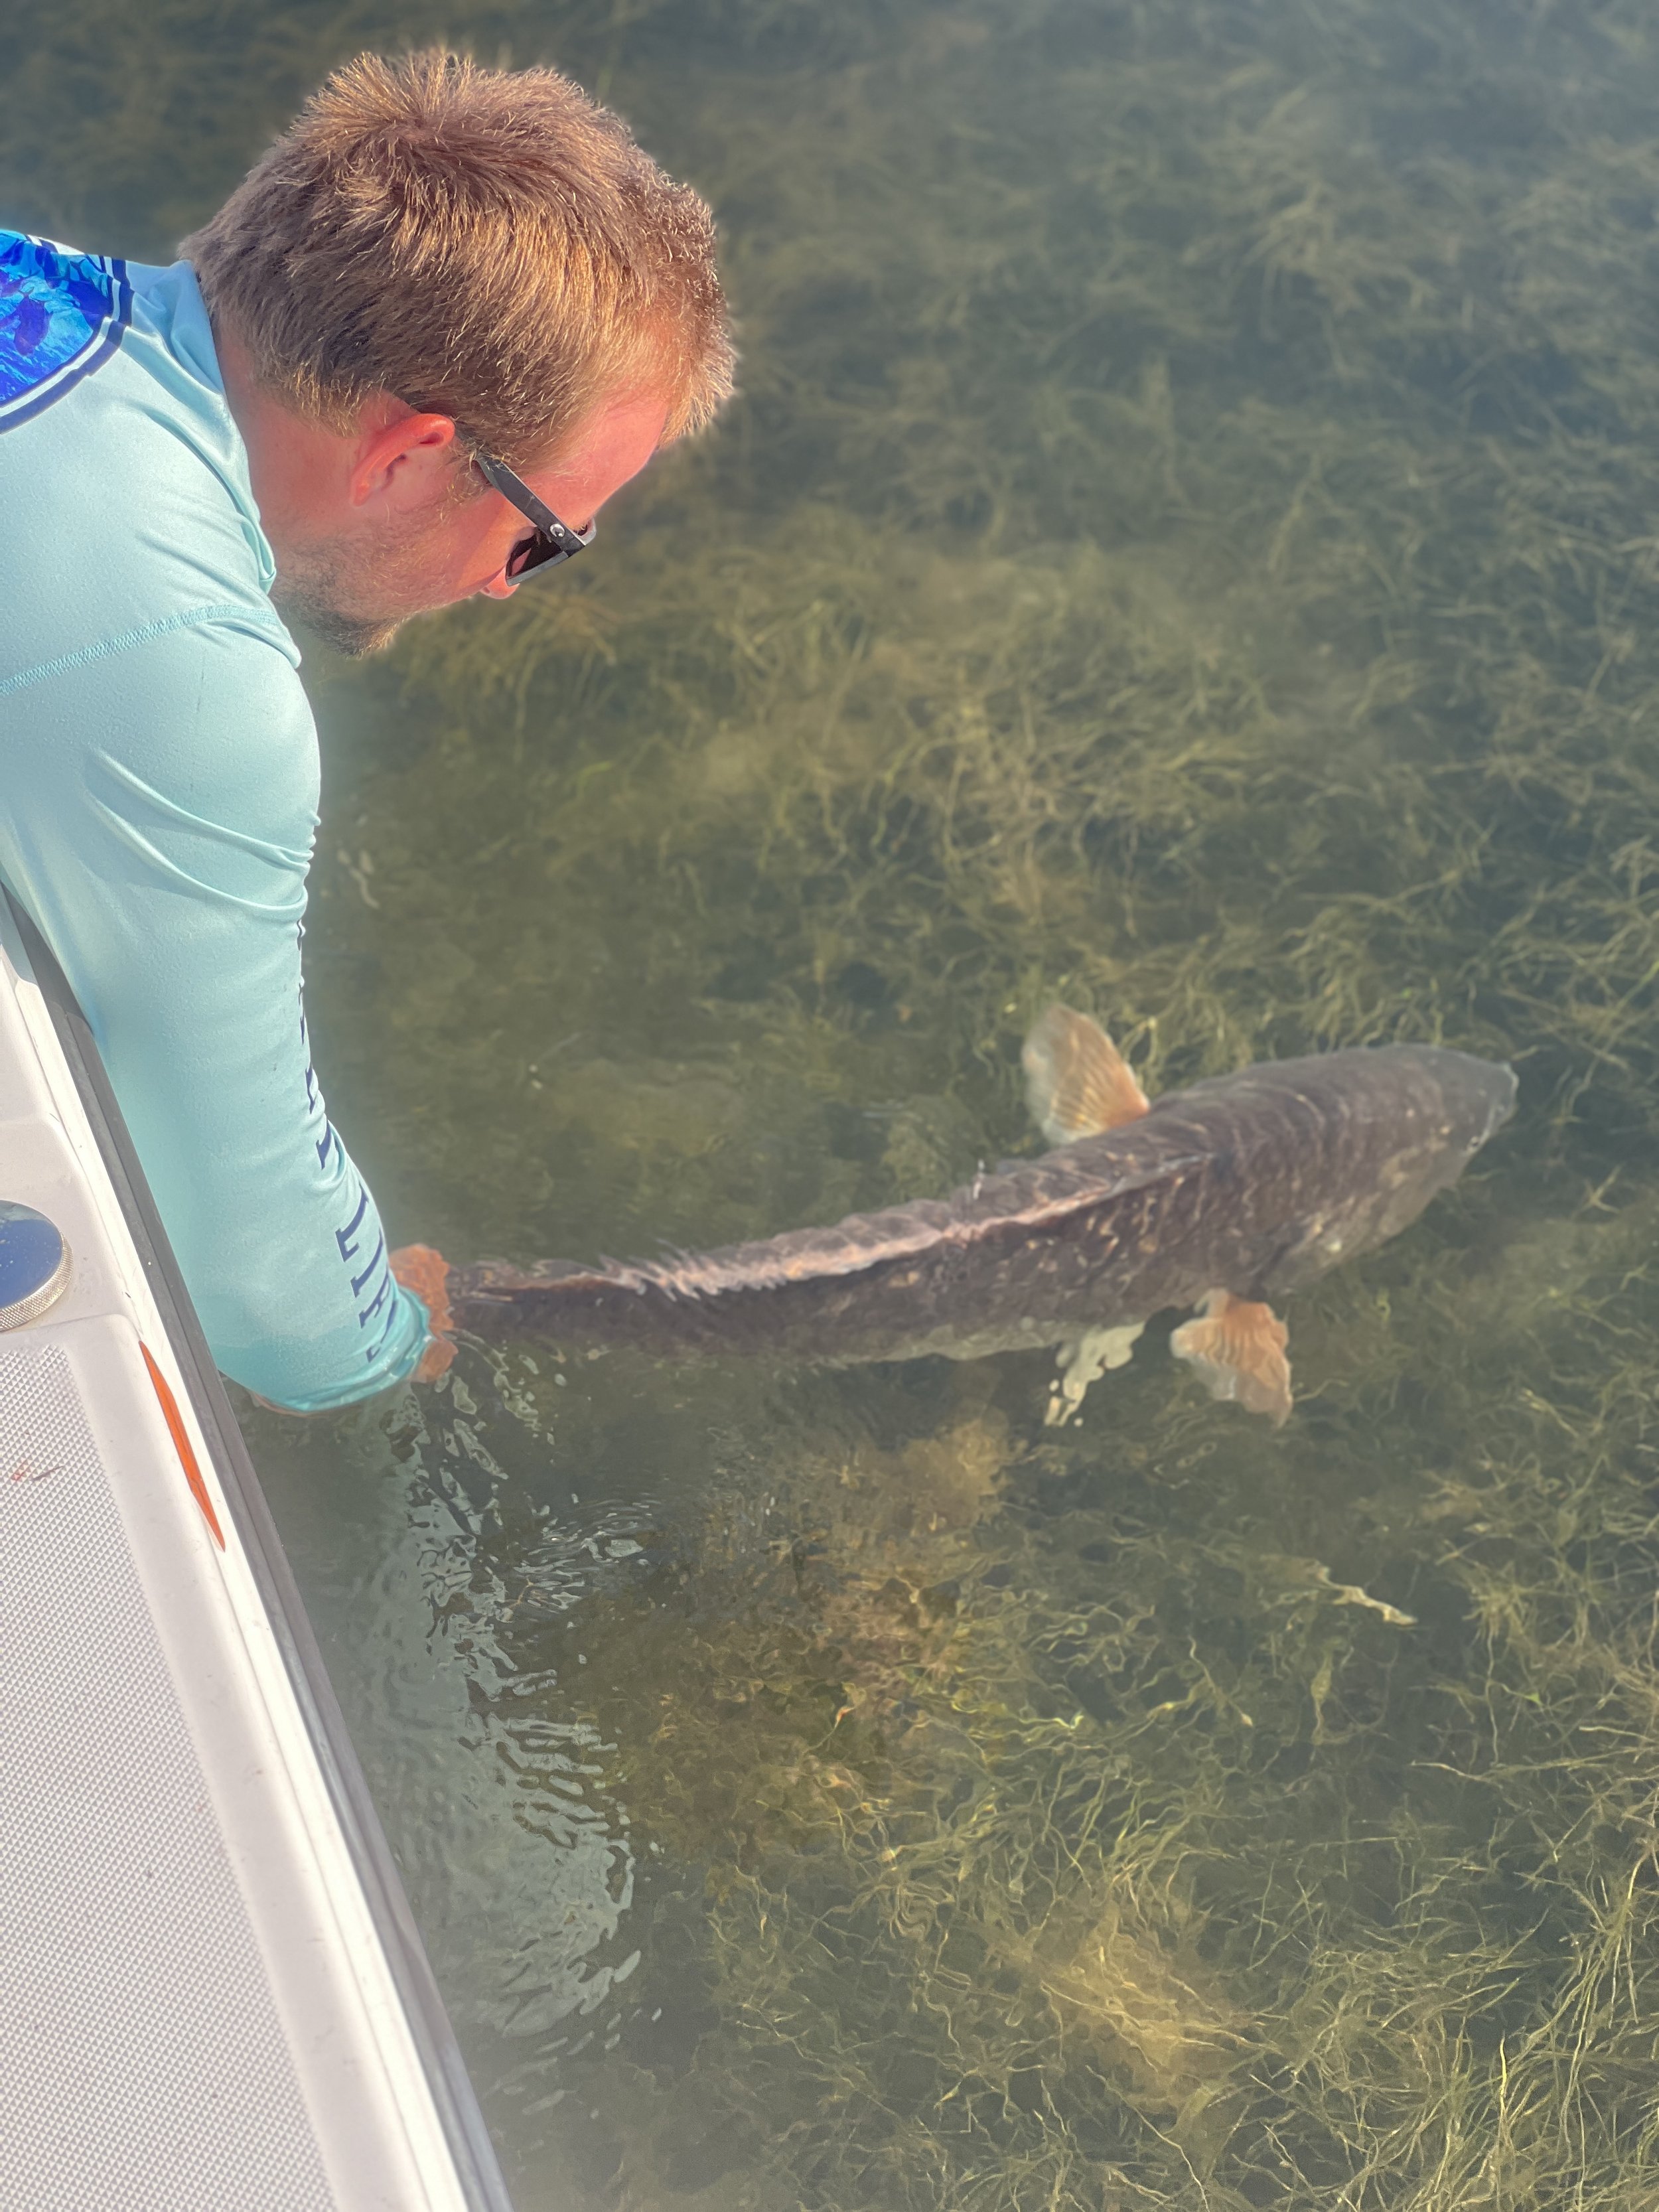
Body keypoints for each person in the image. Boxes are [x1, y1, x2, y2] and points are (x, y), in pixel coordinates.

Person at [0, 50, 733, 1410]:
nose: (505, 592)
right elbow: (268, 1301)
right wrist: (396, 1331)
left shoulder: (28, 290)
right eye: (542, 540)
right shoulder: (183, 677)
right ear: (408, 456)